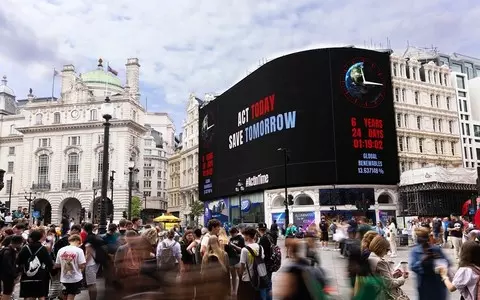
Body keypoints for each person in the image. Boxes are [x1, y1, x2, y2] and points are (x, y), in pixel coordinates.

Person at [409, 226, 449, 300]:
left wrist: (438, 259)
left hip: (437, 284)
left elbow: (448, 262)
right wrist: (422, 261)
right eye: (420, 237)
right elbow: (412, 267)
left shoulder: (436, 249)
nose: (422, 240)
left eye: (424, 237)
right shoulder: (415, 251)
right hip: (423, 284)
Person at [16, 229, 54, 300]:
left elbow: (18, 261)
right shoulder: (43, 248)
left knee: (29, 295)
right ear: (40, 238)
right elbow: (49, 262)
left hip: (27, 275)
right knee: (41, 295)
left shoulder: (25, 248)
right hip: (40, 275)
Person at [55, 234, 86, 300]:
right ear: (77, 241)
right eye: (80, 243)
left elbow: (57, 264)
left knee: (65, 294)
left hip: (64, 278)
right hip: (75, 278)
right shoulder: (79, 250)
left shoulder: (61, 250)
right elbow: (81, 265)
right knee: (71, 294)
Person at [238, 226, 264, 300]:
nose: (243, 237)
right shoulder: (260, 247)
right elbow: (262, 260)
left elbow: (242, 266)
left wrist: (240, 275)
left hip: (247, 278)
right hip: (258, 278)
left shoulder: (244, 250)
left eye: (244, 235)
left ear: (248, 236)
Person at [0, 235, 23, 300]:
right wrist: (14, 275)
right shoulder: (8, 252)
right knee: (7, 293)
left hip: (6, 275)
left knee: (8, 292)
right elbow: (8, 266)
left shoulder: (8, 250)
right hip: (7, 276)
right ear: (19, 243)